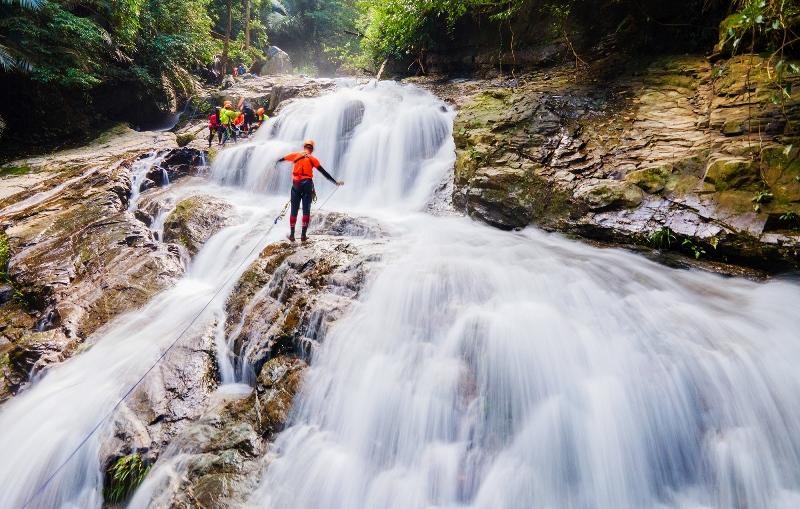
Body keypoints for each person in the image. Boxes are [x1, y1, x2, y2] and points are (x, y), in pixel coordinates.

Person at [276, 140, 343, 242]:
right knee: (306, 211)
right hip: (307, 185)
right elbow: (324, 172)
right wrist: (335, 182)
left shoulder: (295, 155)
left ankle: (292, 235)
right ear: (312, 149)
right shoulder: (313, 159)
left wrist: (276, 162)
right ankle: (303, 235)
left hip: (296, 185)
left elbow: (282, 159)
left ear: (304, 147)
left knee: (294, 210)